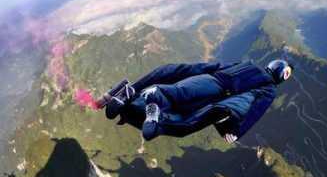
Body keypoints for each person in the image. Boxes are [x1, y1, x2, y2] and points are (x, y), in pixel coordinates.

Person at [98, 59, 293, 142]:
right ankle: (156, 115)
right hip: (216, 95)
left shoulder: (245, 64)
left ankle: (126, 95)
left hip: (205, 80)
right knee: (185, 124)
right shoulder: (268, 89)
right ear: (281, 77)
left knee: (175, 94)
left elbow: (208, 66)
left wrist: (177, 71)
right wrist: (236, 131)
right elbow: (255, 110)